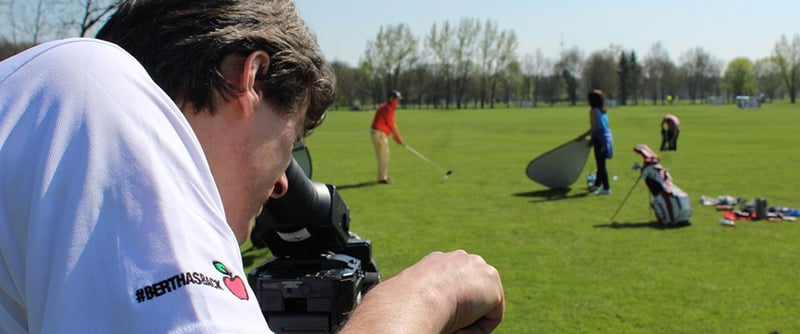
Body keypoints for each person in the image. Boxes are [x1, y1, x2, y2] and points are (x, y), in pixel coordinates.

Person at [0, 1, 504, 333]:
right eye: (292, 138)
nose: (284, 180)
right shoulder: (90, 88)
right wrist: (422, 297)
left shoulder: (31, 105)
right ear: (251, 77)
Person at [576, 89, 614, 195]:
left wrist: (582, 136)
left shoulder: (593, 111)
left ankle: (606, 188)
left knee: (601, 164)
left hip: (600, 139)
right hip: (606, 138)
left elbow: (593, 128)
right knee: (600, 163)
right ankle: (597, 184)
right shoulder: (603, 110)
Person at [370, 90, 404, 184]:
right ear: (391, 99)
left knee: (385, 155)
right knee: (383, 156)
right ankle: (382, 178)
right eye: (397, 99)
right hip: (378, 133)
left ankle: (383, 177)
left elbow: (390, 125)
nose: (398, 101)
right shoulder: (387, 108)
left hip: (380, 133)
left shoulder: (388, 107)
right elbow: (392, 125)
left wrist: (395, 136)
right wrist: (398, 137)